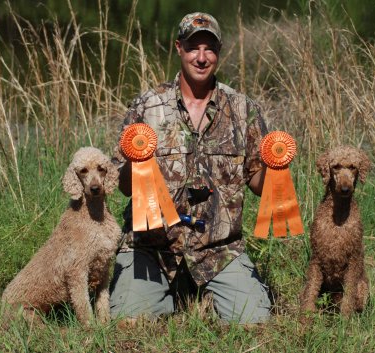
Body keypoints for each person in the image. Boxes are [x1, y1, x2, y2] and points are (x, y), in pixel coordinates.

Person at [109, 12, 271, 324]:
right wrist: (137, 160)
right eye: (193, 47)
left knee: (256, 323)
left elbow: (256, 182)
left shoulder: (242, 109)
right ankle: (176, 294)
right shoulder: (147, 105)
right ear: (179, 48)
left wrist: (277, 168)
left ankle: (199, 292)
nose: (201, 57)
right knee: (130, 324)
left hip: (219, 252)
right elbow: (123, 185)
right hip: (152, 251)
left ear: (219, 53)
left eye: (209, 49)